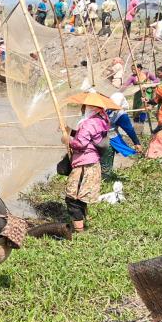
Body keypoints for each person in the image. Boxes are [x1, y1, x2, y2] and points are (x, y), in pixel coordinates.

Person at [65, 96, 114, 233]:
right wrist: (71, 131)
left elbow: (81, 143)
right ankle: (82, 224)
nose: (82, 108)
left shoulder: (89, 123)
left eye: (84, 106)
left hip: (84, 165)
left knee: (73, 198)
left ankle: (79, 233)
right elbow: (89, 137)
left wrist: (67, 140)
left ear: (90, 108)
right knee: (81, 197)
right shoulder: (100, 120)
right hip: (92, 163)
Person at [102, 91, 141, 177]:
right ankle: (105, 179)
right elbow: (129, 129)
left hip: (96, 137)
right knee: (106, 161)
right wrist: (136, 142)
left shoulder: (104, 108)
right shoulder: (120, 113)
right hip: (108, 140)